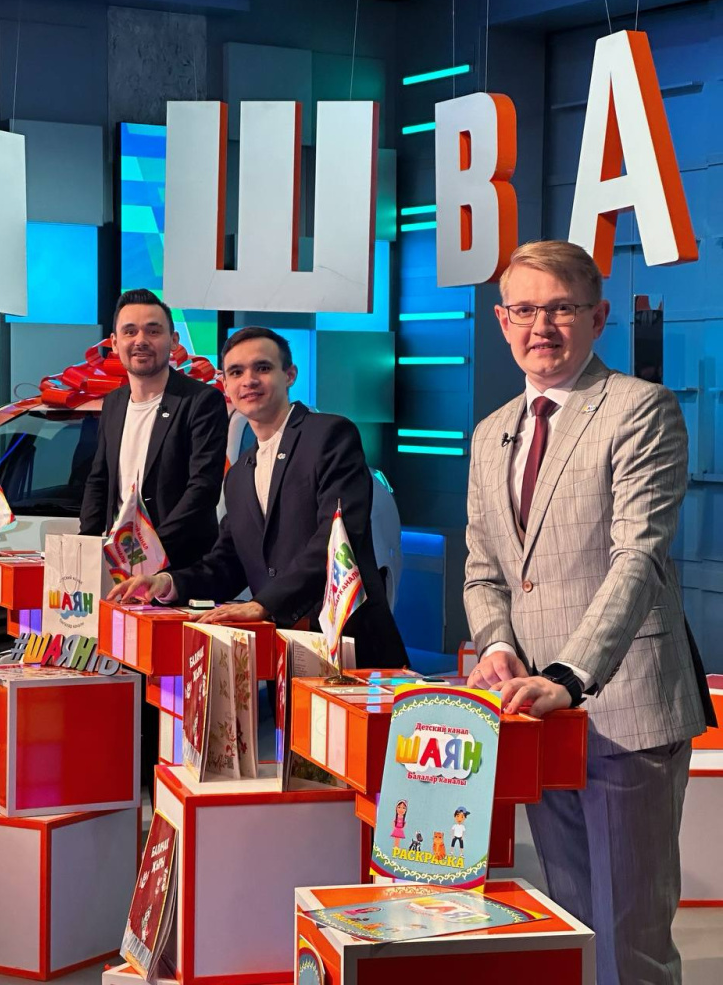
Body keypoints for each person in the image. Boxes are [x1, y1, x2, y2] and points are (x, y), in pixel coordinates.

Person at [463, 240, 714, 985]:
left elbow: (638, 558)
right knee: (572, 927)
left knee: (629, 944)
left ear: (599, 317)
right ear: (502, 321)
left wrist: (571, 675)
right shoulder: (490, 432)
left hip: (624, 708)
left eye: (562, 308)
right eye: (525, 310)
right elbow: (484, 568)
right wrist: (497, 645)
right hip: (537, 715)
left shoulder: (640, 409)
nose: (542, 327)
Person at [107, 326, 408, 670]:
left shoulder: (329, 435)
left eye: (262, 368)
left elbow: (337, 539)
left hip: (350, 649)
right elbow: (228, 563)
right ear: (225, 385)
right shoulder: (238, 476)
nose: (248, 380)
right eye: (236, 372)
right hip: (287, 658)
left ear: (289, 375)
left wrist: (264, 604)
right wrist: (168, 582)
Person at [80, 288, 228, 570]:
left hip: (181, 566)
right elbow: (99, 480)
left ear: (173, 341)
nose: (141, 341)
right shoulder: (113, 403)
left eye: (153, 331)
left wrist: (148, 549)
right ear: (114, 343)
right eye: (130, 332)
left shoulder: (201, 401)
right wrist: (86, 546)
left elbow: (203, 489)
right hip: (118, 565)